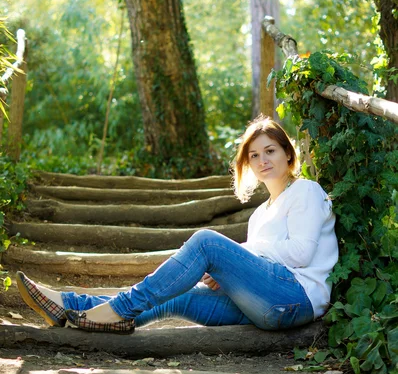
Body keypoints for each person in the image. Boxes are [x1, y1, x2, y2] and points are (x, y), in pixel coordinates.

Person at [16, 116, 338, 335]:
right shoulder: (259, 216)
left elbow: (300, 253)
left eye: (270, 151)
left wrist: (239, 255)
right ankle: (71, 308)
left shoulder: (306, 191)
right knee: (176, 296)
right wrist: (229, 276)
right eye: (254, 155)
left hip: (295, 299)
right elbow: (261, 264)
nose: (262, 160)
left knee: (207, 242)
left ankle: (120, 308)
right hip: (262, 307)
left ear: (287, 153)